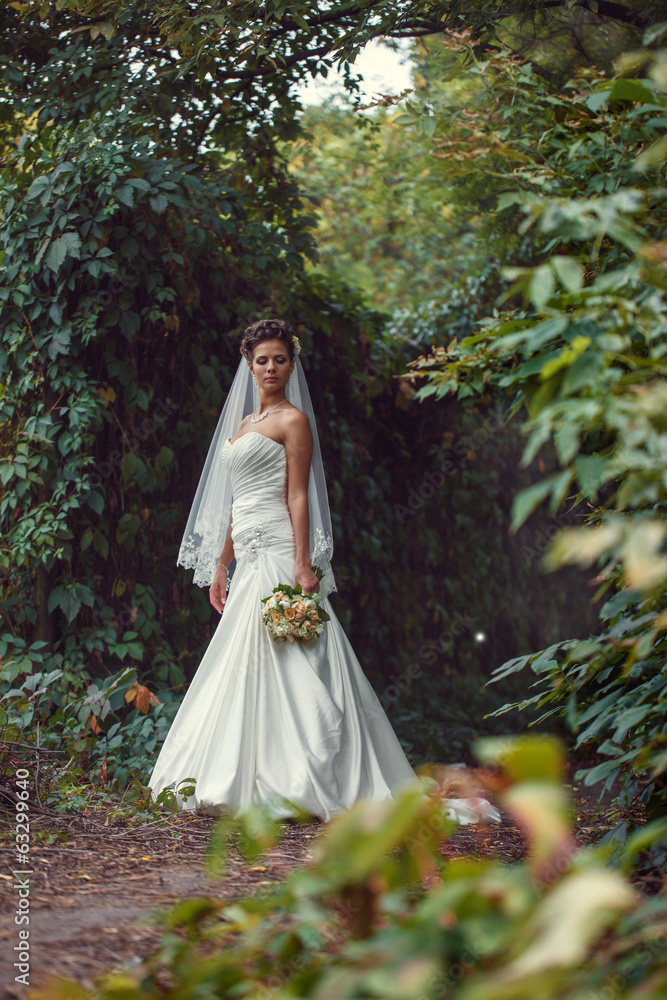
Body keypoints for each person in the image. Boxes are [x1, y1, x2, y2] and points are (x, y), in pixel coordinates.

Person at [149, 319, 499, 825]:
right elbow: (231, 504)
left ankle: (303, 776)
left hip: (277, 551)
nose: (271, 367)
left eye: (280, 359)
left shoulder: (294, 421)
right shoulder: (242, 424)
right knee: (244, 660)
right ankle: (238, 773)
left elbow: (297, 494)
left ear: (292, 364)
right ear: (248, 366)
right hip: (245, 554)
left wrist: (302, 563)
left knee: (296, 656)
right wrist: (220, 564)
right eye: (262, 359)